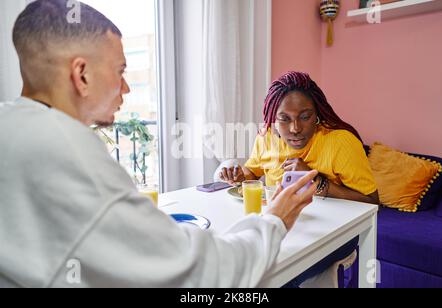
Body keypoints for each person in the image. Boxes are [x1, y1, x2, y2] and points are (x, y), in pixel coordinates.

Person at [0, 0, 318, 288]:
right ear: (81, 74)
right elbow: (202, 274)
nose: (125, 87)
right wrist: (275, 220)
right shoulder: (68, 152)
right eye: (120, 71)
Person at [220, 71, 380, 286]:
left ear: (317, 115)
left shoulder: (341, 143)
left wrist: (317, 182)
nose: (295, 129)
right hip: (283, 228)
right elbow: (253, 171)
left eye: (305, 117)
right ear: (272, 120)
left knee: (272, 276)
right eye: (284, 119)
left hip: (334, 234)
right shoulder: (266, 136)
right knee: (241, 268)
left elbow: (372, 200)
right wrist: (241, 176)